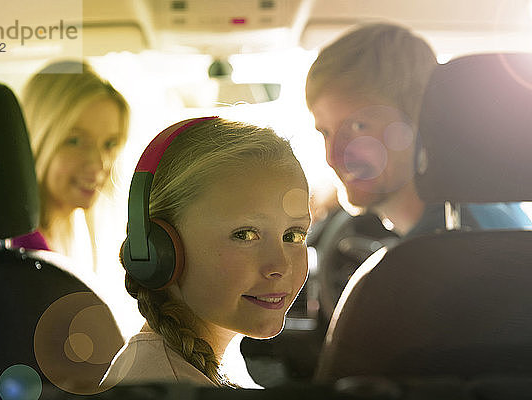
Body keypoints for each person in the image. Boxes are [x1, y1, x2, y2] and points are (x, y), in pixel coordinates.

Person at [101, 117, 311, 387]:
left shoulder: (219, 361)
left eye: (293, 235)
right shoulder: (165, 386)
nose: (279, 265)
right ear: (159, 248)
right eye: (245, 234)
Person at [306, 22, 530, 239]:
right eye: (325, 133)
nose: (333, 157)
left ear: (420, 121)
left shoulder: (438, 257)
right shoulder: (488, 213)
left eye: (359, 127)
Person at [0, 60, 130, 269]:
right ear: (37, 139)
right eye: (75, 141)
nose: (99, 163)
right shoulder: (16, 252)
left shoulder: (68, 232)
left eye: (109, 144)